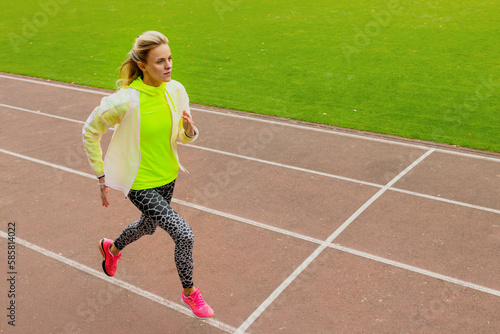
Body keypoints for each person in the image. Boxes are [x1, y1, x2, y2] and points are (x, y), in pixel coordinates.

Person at [82, 31, 214, 319]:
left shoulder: (176, 90)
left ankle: (111, 248)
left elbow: (181, 135)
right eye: (159, 62)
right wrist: (100, 175)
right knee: (184, 234)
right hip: (140, 183)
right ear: (142, 65)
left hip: (167, 175)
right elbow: (90, 130)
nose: (167, 66)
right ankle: (190, 294)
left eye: (169, 59)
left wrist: (190, 131)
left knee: (148, 226)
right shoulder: (125, 101)